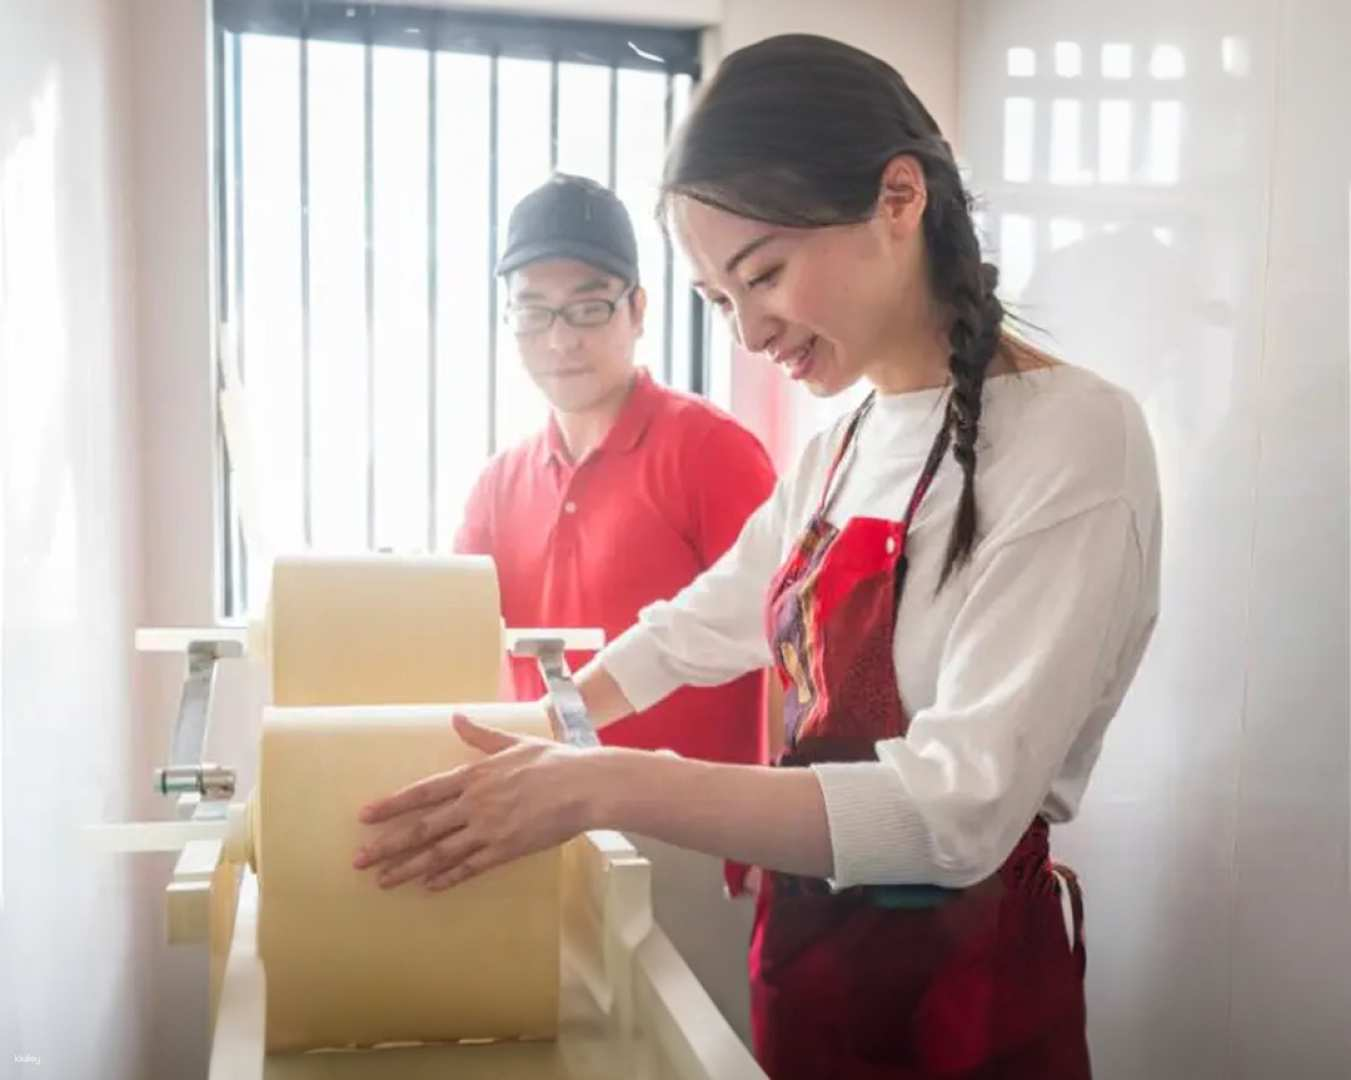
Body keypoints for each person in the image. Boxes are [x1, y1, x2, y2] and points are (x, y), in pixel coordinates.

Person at [355, 35, 1161, 1079]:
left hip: (963, 994)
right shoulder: (840, 447)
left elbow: (956, 809)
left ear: (898, 198)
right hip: (806, 964)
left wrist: (601, 783)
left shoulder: (1073, 439)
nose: (747, 332)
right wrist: (544, 734)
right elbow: (703, 623)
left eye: (764, 276)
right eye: (719, 302)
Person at [452, 172, 777, 1039]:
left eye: (588, 307)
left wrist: (766, 851)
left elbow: (790, 650)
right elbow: (455, 643)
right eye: (533, 310)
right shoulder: (499, 482)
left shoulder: (710, 452)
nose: (560, 337)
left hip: (689, 839)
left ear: (637, 310)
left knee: (691, 1051)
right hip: (544, 825)